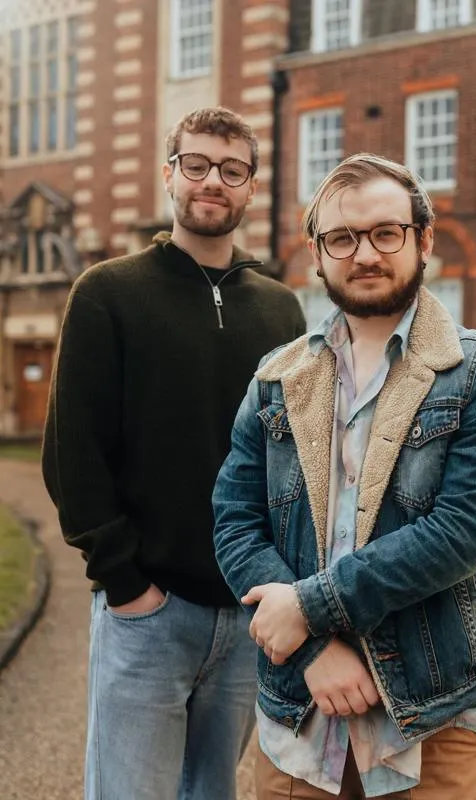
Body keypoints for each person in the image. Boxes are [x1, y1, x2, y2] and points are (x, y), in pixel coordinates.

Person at [212, 153, 476, 799]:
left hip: (428, 718)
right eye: (342, 238)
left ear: (424, 239)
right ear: (316, 253)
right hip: (299, 724)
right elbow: (235, 523)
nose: (365, 254)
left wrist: (305, 607)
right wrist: (309, 651)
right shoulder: (277, 376)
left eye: (386, 232)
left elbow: (459, 534)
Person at [42, 106, 306, 800]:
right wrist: (127, 587)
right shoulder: (107, 293)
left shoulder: (282, 312)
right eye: (196, 164)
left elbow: (293, 460)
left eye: (231, 169)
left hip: (248, 613)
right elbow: (73, 452)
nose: (212, 181)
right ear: (170, 175)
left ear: (251, 186)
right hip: (147, 613)